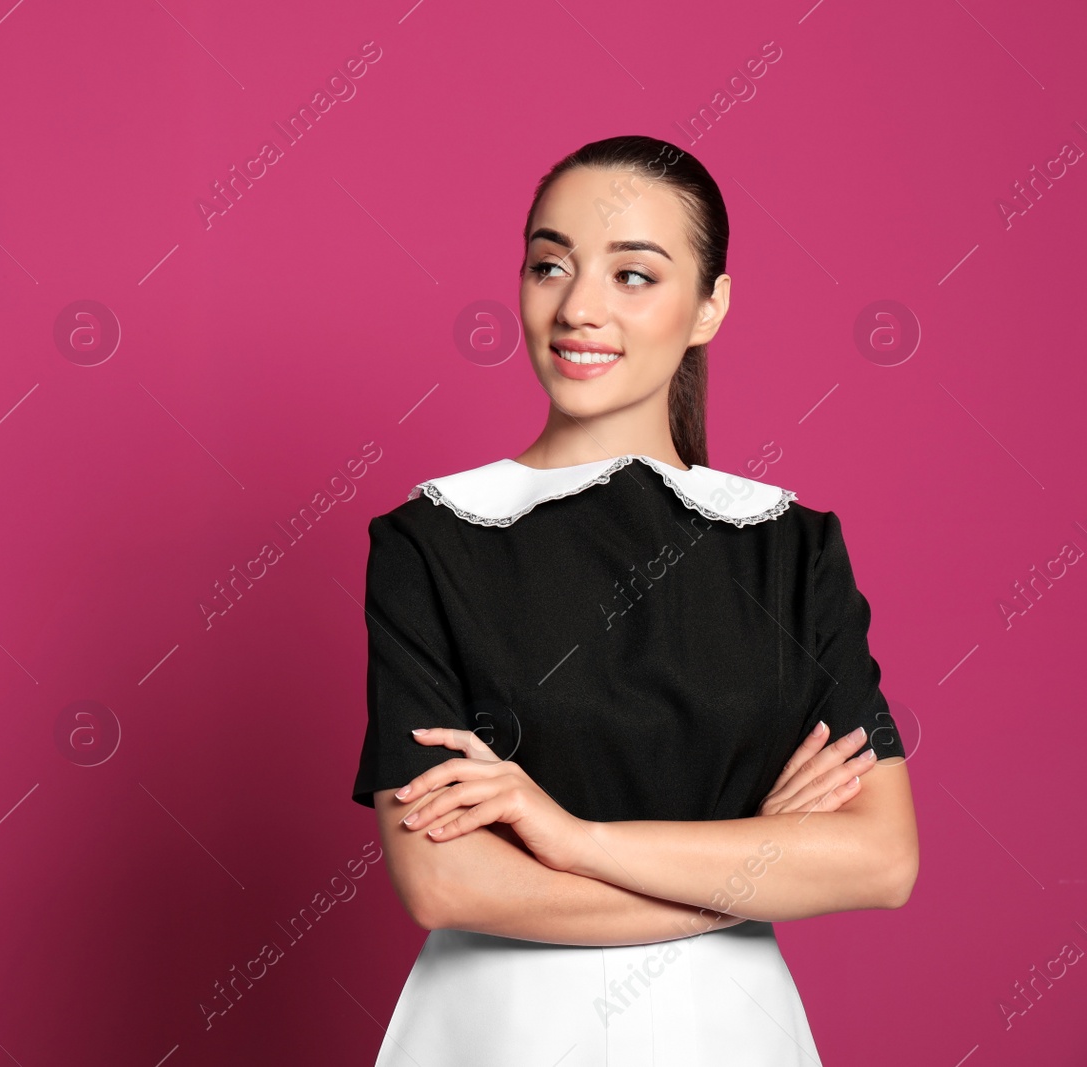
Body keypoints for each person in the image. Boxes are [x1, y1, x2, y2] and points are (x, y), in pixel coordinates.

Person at [350, 135, 919, 1065]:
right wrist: (755, 859)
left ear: (710, 306)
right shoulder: (432, 540)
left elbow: (883, 858)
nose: (578, 307)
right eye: (550, 265)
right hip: (498, 1034)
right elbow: (445, 882)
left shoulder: (790, 547)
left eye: (634, 276)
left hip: (727, 1032)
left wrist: (569, 839)